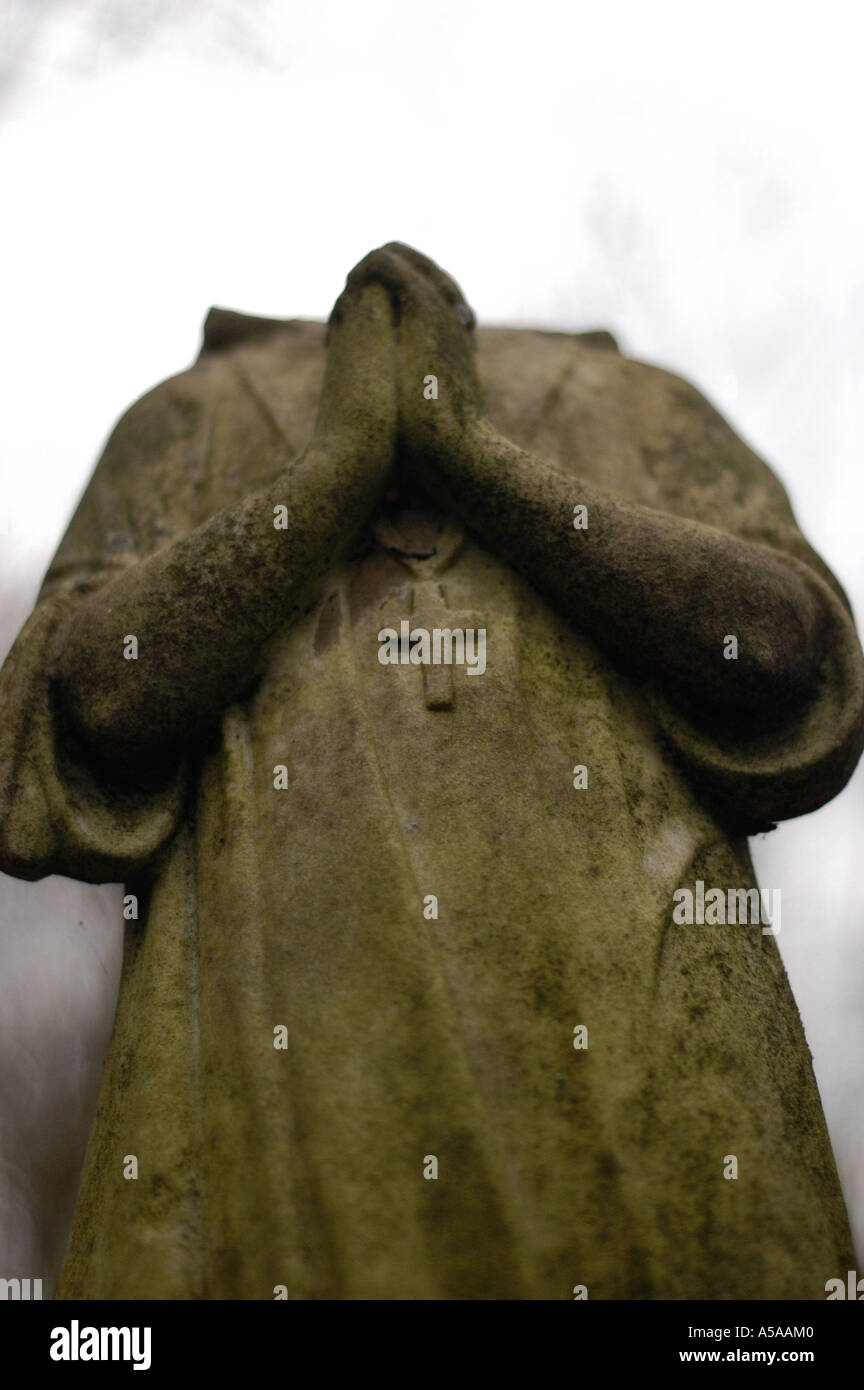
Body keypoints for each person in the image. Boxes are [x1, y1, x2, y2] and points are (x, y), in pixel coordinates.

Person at [1, 244, 861, 1299]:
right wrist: (338, 467)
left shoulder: (639, 401)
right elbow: (88, 699)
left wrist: (471, 458)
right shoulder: (195, 409)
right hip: (277, 1071)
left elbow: (794, 657)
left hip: (652, 1069)